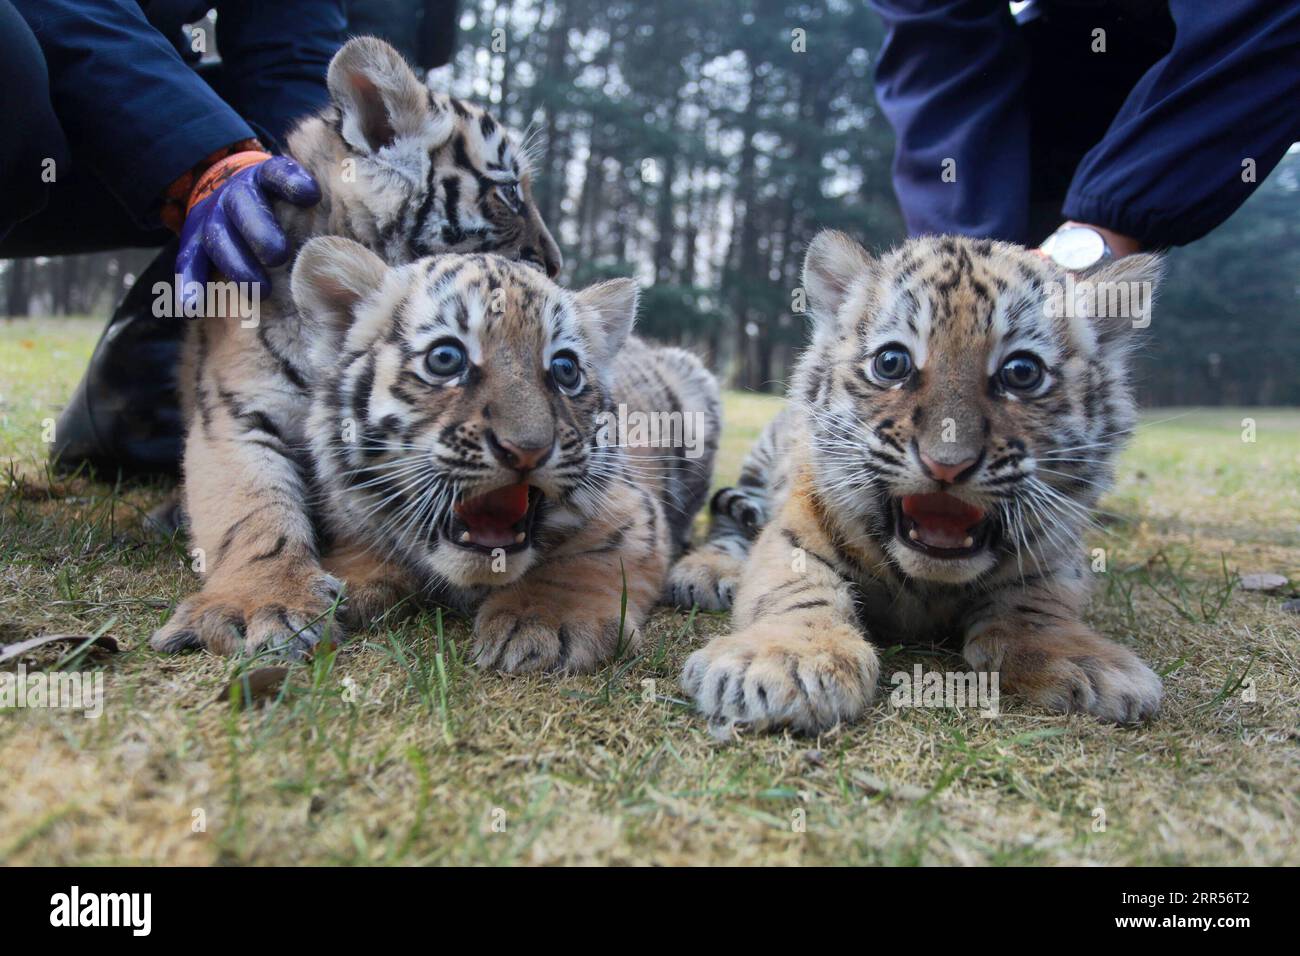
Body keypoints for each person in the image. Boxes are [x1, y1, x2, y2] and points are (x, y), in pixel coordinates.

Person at [0, 0, 458, 477]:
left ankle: (146, 392)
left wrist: (306, 194)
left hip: (95, 125)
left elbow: (289, 54)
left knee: (299, 133)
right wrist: (203, 153)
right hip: (31, 86)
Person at [868, 0, 1300, 269]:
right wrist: (965, 261)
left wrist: (1103, 230)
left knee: (1078, 298)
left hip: (1215, 42)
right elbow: (939, 48)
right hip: (1084, 50)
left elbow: (1269, 19)